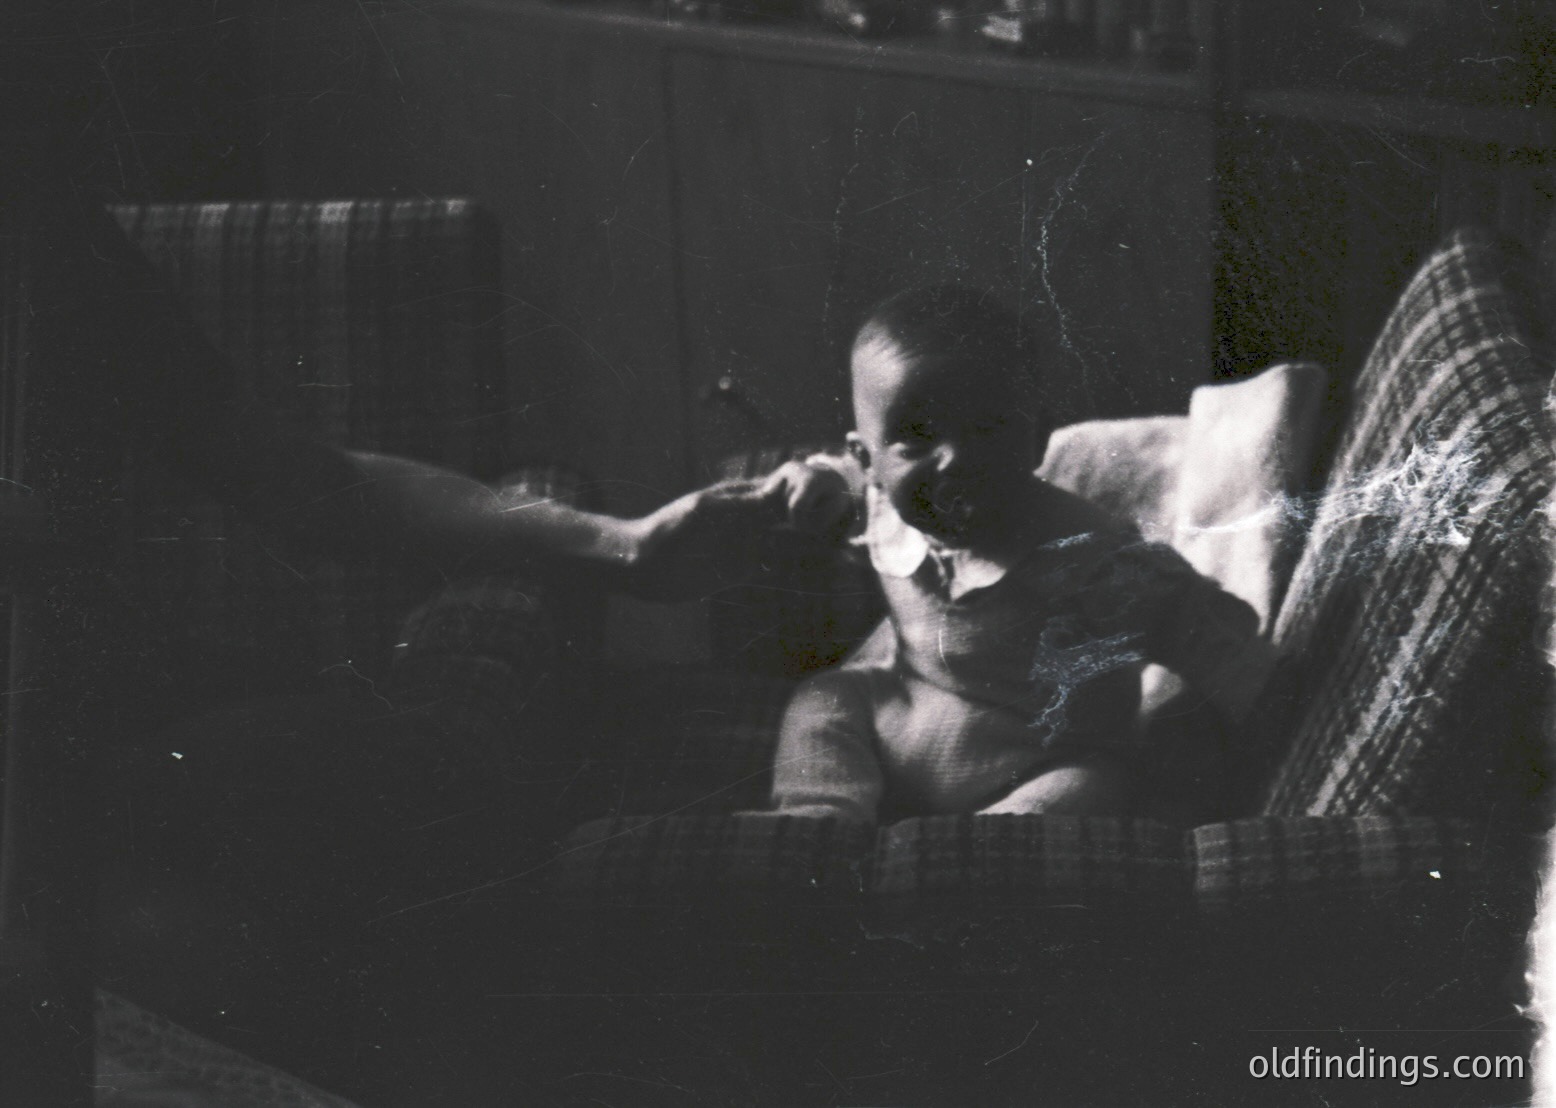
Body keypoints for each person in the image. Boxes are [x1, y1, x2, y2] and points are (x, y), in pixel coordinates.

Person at [756, 287, 1276, 822]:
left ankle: (989, 843)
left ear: (1038, 435)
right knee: (828, 696)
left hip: (1045, 760)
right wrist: (814, 479)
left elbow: (1204, 627)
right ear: (870, 463)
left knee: (1093, 784)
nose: (955, 458)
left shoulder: (1091, 557)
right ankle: (820, 812)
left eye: (987, 427)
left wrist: (1262, 696)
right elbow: (836, 485)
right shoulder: (883, 510)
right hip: (907, 725)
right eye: (915, 437)